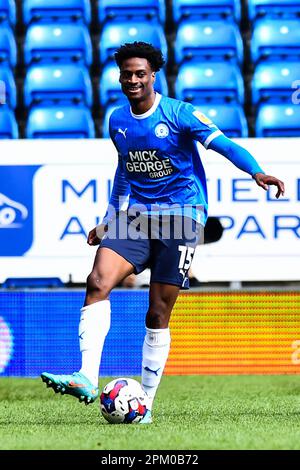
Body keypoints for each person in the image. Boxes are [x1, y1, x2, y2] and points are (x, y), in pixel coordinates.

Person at [41, 42, 285, 424]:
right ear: (120, 77)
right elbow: (125, 172)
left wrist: (256, 172)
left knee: (157, 313)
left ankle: (146, 404)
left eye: (140, 73)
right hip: (136, 215)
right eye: (127, 74)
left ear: (153, 76)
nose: (133, 79)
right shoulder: (117, 121)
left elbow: (223, 144)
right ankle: (87, 376)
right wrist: (108, 219)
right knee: (96, 281)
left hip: (182, 216)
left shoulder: (179, 114)